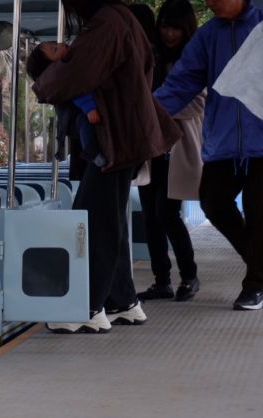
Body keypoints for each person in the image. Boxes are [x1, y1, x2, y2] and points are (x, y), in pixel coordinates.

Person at [30, 0, 181, 333]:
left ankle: (86, 305)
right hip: (125, 136)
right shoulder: (120, 18)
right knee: (110, 219)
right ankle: (121, 301)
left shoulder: (105, 25)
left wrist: (40, 81)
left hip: (114, 139)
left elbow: (74, 73)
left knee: (95, 222)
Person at [154, 0, 263, 311]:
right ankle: (259, 263)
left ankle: (255, 284)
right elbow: (180, 84)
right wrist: (145, 116)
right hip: (223, 142)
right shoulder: (208, 36)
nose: (210, 2)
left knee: (259, 213)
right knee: (213, 202)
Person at [137, 0, 204, 302]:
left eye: (175, 27)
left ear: (187, 28)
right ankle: (161, 280)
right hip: (152, 148)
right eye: (164, 26)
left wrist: (152, 109)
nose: (169, 33)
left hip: (177, 147)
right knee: (150, 217)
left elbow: (196, 103)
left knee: (167, 213)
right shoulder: (154, 58)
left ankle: (189, 275)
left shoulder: (195, 60)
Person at [26, 42, 106, 168]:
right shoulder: (64, 76)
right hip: (82, 114)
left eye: (55, 44)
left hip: (78, 118)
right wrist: (89, 108)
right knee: (84, 124)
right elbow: (77, 91)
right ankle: (93, 152)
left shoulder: (70, 65)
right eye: (55, 49)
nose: (61, 44)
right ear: (52, 67)